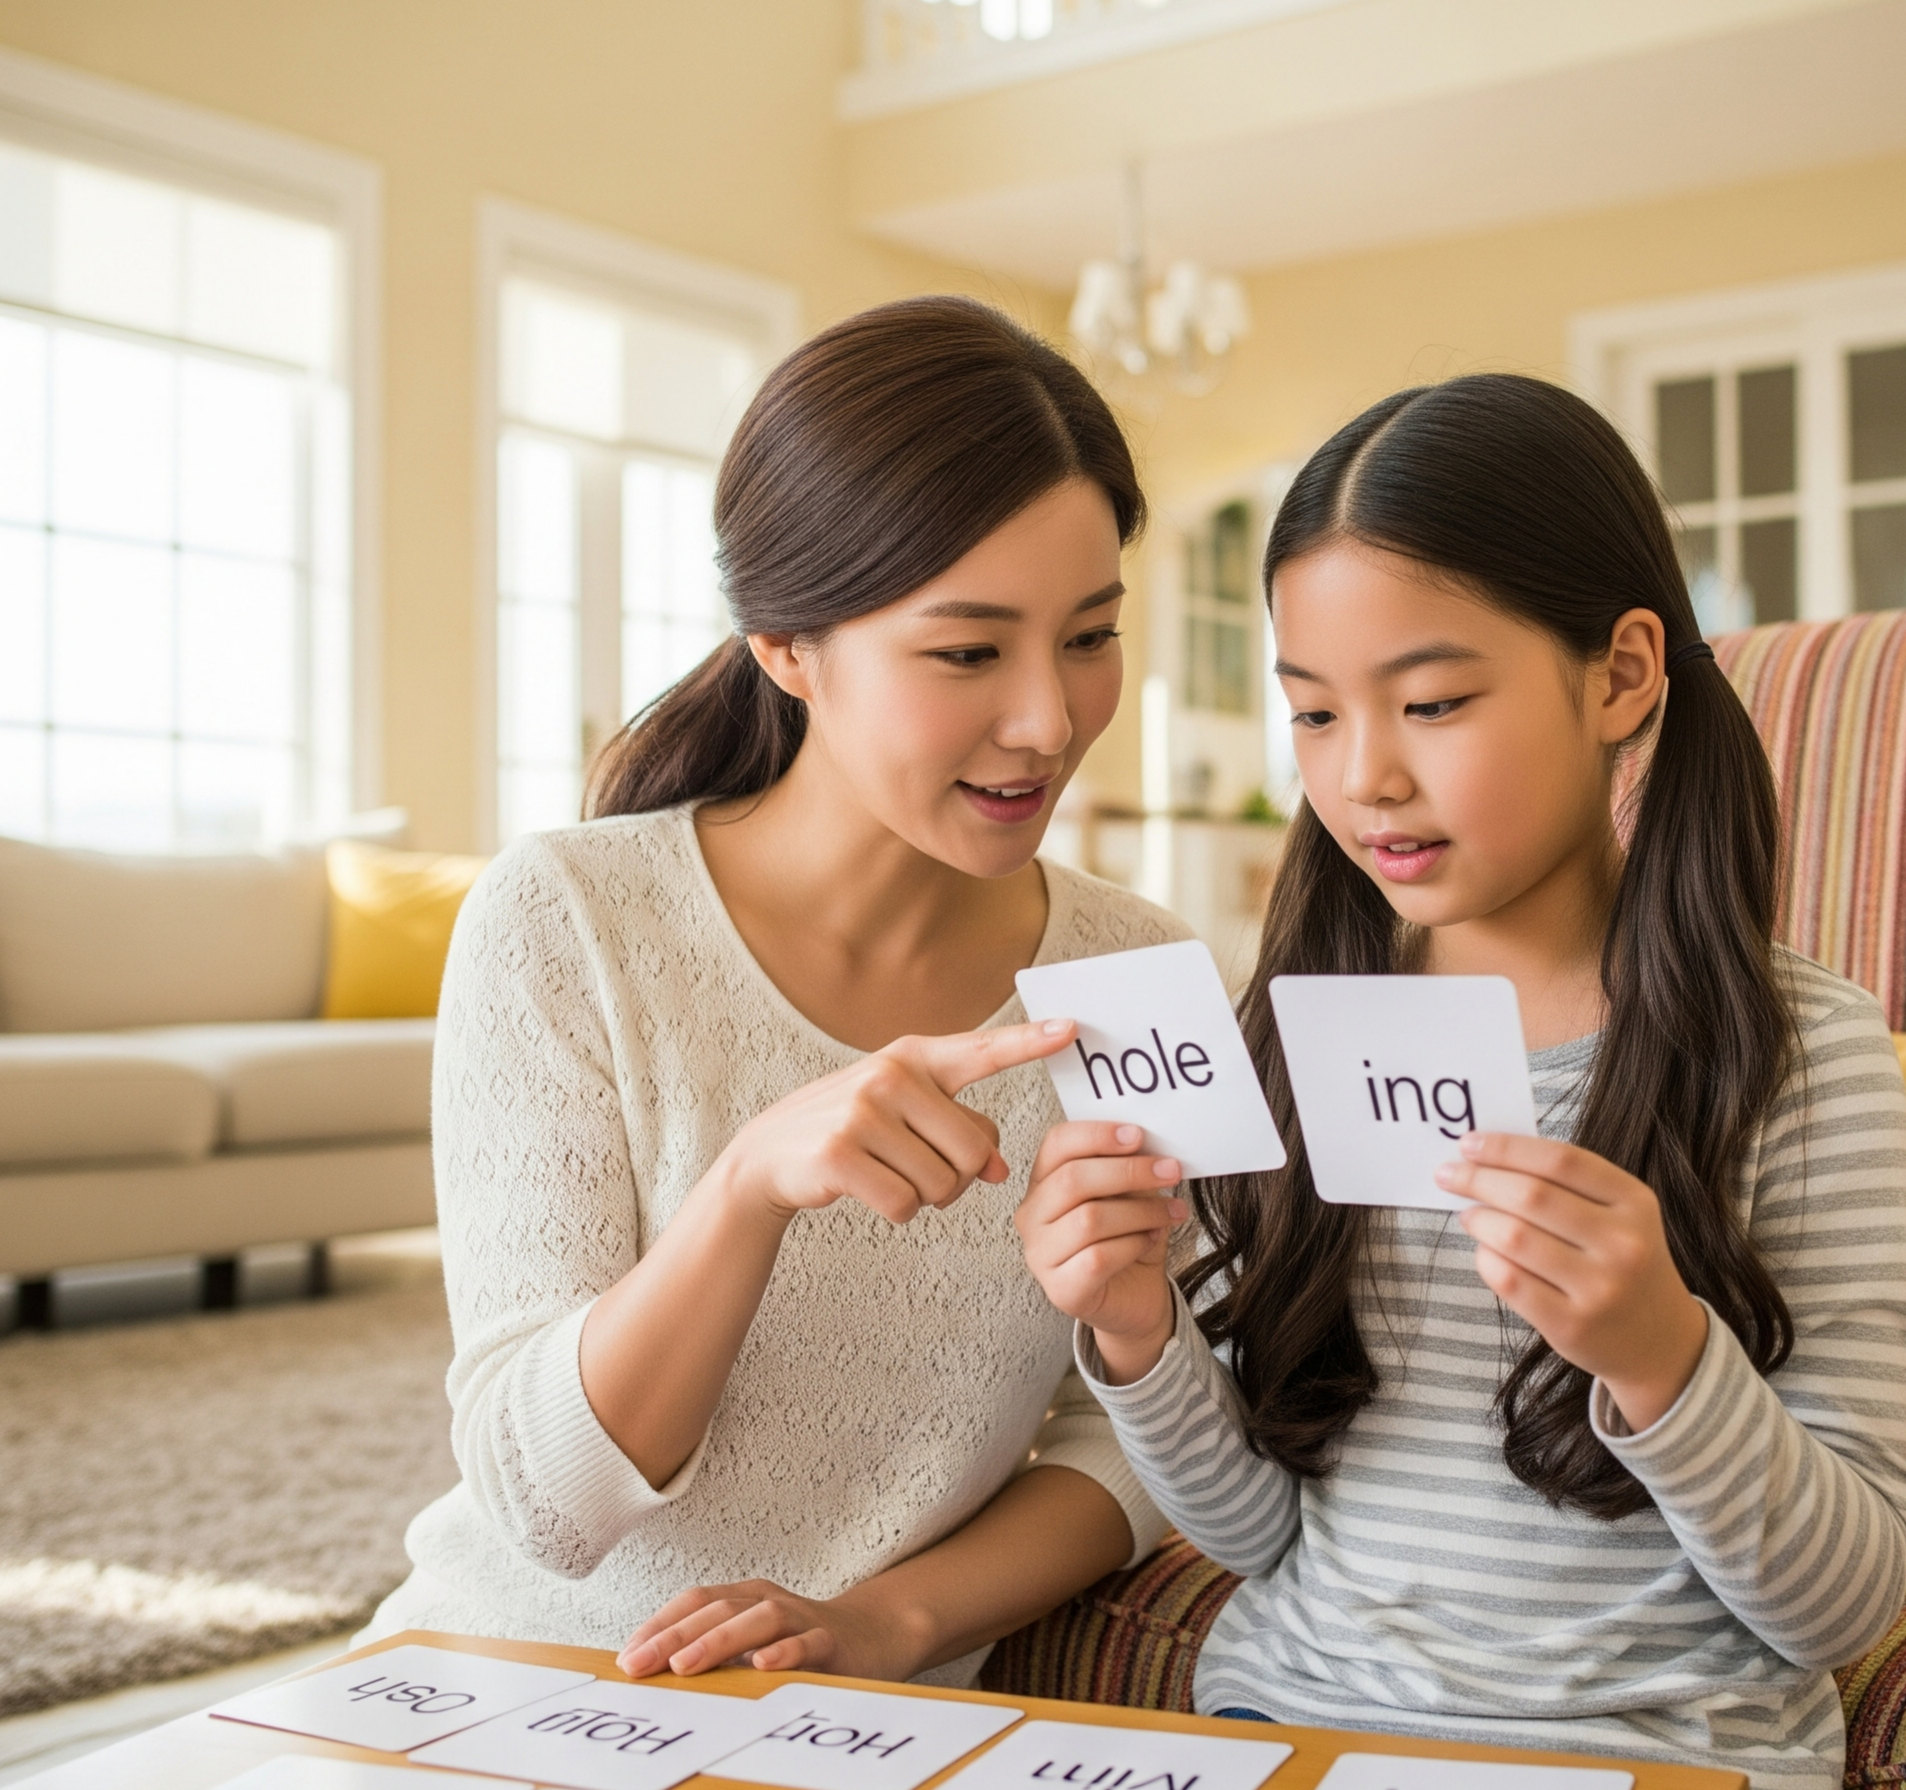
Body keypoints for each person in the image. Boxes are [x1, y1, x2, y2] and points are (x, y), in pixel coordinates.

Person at [1015, 374, 1906, 1788]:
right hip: (1284, 1735)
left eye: (1430, 701)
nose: (1364, 776)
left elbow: (1841, 1610)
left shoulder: (1804, 1058)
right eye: (1313, 715)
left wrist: (1662, 1356)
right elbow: (1256, 1533)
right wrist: (1135, 1329)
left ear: (1620, 674)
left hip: (1643, 1758)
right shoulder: (1295, 1035)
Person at [366, 296, 1185, 1684]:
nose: (1049, 720)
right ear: (787, 643)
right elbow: (543, 1510)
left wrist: (890, 1621)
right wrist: (745, 1188)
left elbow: (1155, 1430)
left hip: (870, 1717)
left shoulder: (1134, 977)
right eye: (968, 651)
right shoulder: (569, 917)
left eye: (1090, 636)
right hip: (515, 1679)